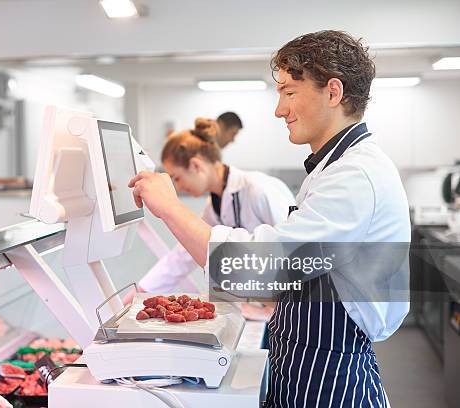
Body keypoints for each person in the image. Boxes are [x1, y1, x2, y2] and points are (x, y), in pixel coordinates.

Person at [128, 30, 409, 407]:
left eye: (289, 93)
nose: (280, 110)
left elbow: (258, 267)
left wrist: (170, 207)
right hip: (302, 362)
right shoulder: (333, 169)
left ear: (333, 92)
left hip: (331, 378)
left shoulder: (355, 176)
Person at [125, 118, 293, 321]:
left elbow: (295, 252)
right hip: (262, 304)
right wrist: (140, 292)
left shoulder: (260, 190)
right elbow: (184, 255)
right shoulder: (213, 206)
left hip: (291, 312)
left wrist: (272, 309)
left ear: (195, 165)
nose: (177, 187)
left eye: (177, 178)